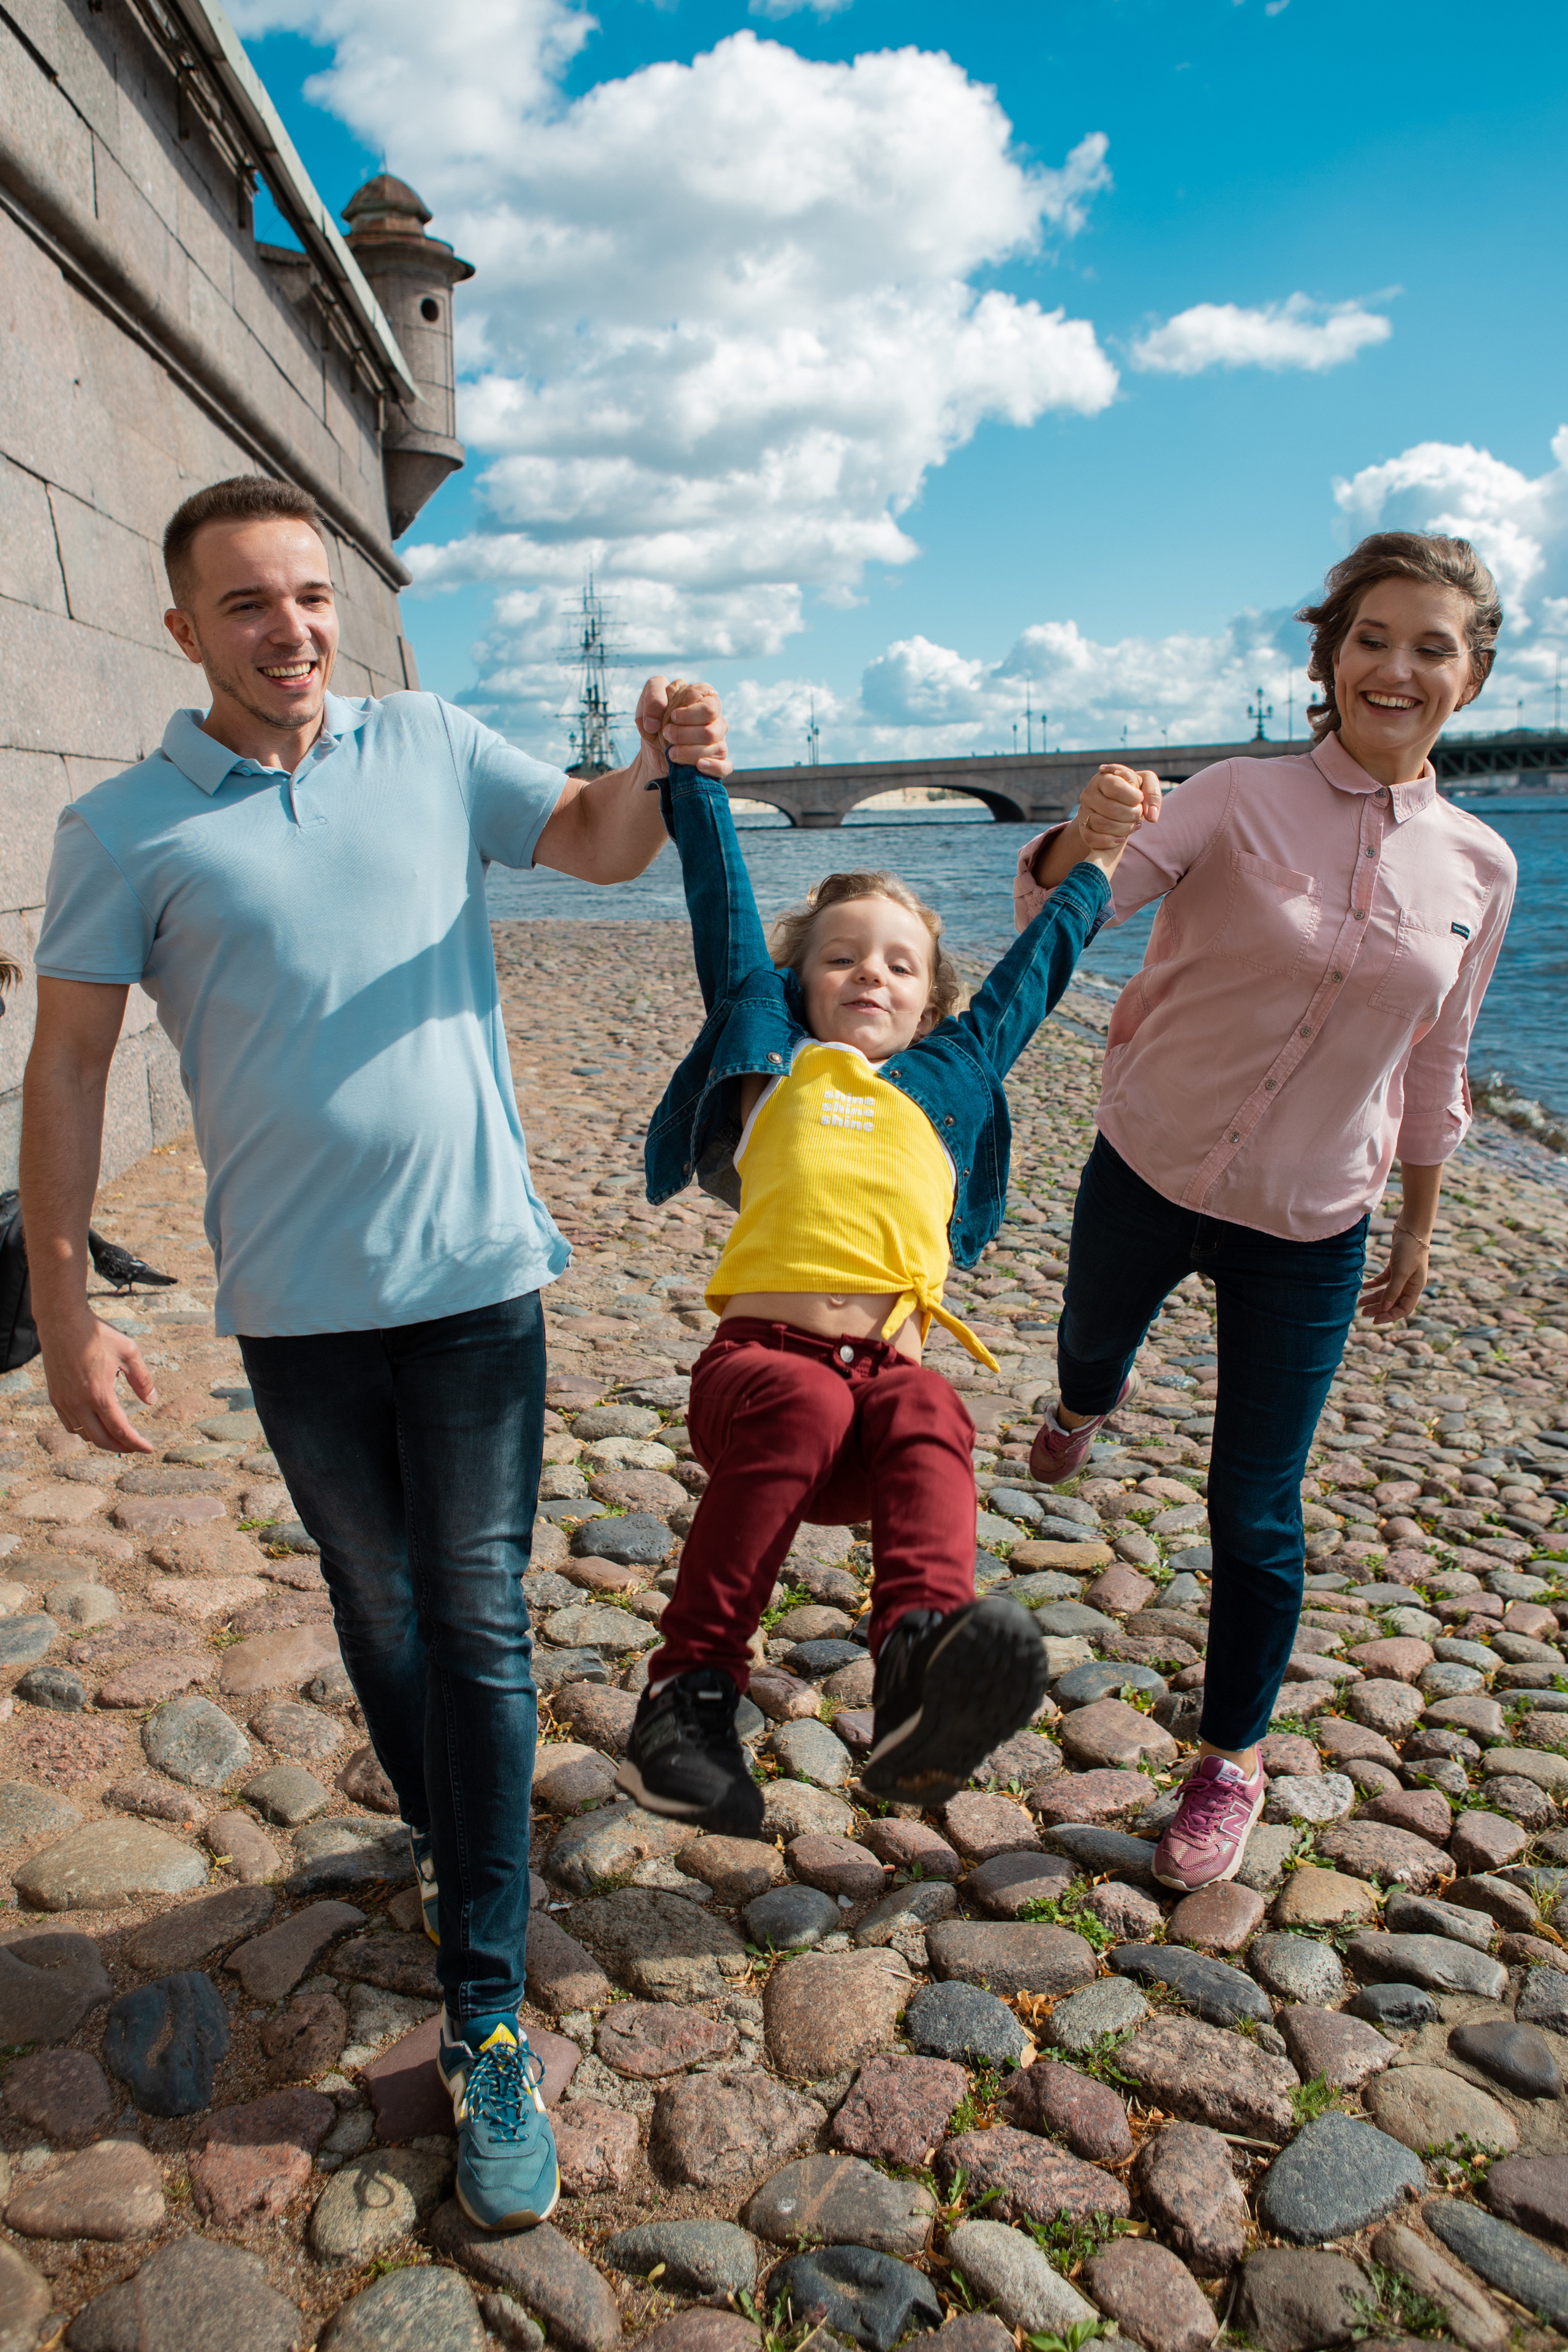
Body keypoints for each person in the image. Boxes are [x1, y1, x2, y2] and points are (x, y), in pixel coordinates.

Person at [20, 474, 729, 2234]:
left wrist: (660, 763)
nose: (293, 631)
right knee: (379, 1598)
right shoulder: (121, 830)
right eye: (249, 604)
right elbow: (72, 1070)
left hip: (479, 1277)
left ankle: (484, 2004)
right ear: (182, 630)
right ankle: (457, 1826)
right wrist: (64, 1307)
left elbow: (596, 842)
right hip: (295, 1308)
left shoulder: (425, 740)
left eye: (314, 595)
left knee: (476, 1615)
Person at [1012, 530, 1516, 1893]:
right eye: (1371, 639)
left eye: (1431, 647)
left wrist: (1417, 1222)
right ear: (1329, 657)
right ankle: (1082, 1410)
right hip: (1147, 1159)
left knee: (1255, 1503)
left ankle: (1228, 1760)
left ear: (1470, 677)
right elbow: (1078, 907)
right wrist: (1084, 836)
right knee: (1086, 1349)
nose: (1395, 668)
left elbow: (1439, 1058)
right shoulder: (1234, 795)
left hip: (1311, 1220)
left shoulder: (1480, 866)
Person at [614, 732, 1130, 1832]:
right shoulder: (772, 1053)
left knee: (933, 1404)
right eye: (842, 957)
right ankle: (685, 1709)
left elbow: (1036, 972)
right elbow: (721, 902)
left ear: (931, 1004)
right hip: (757, 1382)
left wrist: (1097, 861)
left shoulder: (953, 1073)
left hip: (874, 1409)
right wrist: (694, 777)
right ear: (796, 984)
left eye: (900, 965)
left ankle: (918, 1678)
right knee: (802, 1396)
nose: (870, 975)